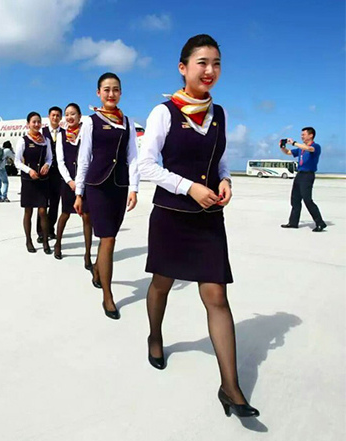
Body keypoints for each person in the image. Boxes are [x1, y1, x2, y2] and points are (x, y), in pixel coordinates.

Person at [138, 34, 259, 418]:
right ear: (183, 67)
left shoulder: (219, 114)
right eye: (202, 62)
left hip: (209, 220)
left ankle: (231, 388)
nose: (210, 71)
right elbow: (146, 167)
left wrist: (225, 181)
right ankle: (155, 336)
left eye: (217, 63)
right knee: (162, 284)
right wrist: (188, 187)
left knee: (217, 297)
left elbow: (220, 159)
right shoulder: (164, 113)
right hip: (171, 216)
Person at [74, 73, 139, 320]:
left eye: (116, 90)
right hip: (97, 187)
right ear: (98, 93)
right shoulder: (90, 122)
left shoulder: (128, 123)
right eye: (106, 90)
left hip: (119, 186)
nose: (111, 94)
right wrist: (79, 192)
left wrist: (134, 187)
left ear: (121, 93)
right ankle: (108, 296)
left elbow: (133, 156)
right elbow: (84, 157)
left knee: (107, 238)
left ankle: (98, 273)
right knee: (109, 239)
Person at [53, 103, 93, 269]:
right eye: (67, 114)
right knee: (65, 214)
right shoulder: (61, 136)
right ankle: (58, 242)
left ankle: (88, 254)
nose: (70, 117)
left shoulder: (86, 133)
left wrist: (81, 180)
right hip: (68, 182)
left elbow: (90, 156)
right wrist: (70, 180)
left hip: (85, 181)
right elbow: (60, 161)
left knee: (86, 217)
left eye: (73, 114)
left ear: (79, 115)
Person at [14, 111, 53, 254]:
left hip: (42, 179)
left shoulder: (45, 141)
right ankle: (28, 240)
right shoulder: (23, 140)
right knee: (28, 211)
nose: (36, 124)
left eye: (38, 122)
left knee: (43, 211)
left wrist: (47, 165)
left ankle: (45, 241)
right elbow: (17, 161)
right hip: (28, 180)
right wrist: (29, 170)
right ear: (28, 124)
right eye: (34, 122)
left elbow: (50, 158)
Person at [280, 128, 327, 232]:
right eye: (301, 135)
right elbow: (288, 152)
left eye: (304, 135)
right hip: (299, 175)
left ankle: (320, 223)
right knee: (295, 200)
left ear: (311, 135)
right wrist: (282, 147)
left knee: (307, 200)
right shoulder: (301, 149)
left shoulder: (315, 146)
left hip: (308, 175)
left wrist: (294, 143)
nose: (302, 136)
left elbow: (309, 149)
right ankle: (293, 223)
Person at [37, 106, 63, 243]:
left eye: (58, 115)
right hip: (44, 173)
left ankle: (50, 229)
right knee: (42, 204)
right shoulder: (42, 132)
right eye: (53, 115)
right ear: (49, 116)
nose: (55, 117)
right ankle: (41, 232)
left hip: (58, 174)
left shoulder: (64, 133)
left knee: (54, 204)